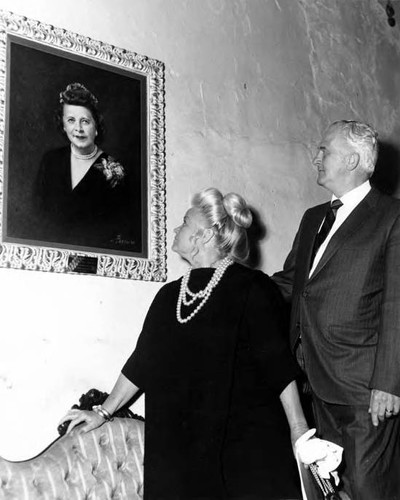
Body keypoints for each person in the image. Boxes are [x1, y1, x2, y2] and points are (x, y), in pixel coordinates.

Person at [59, 187, 310, 500]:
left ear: (203, 237)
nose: (177, 229)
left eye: (184, 223)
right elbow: (142, 362)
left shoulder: (253, 288)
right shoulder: (169, 296)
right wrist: (104, 412)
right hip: (179, 452)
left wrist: (299, 429)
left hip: (242, 453)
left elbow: (278, 366)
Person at [273, 120, 400, 500]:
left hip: (366, 388)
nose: (315, 157)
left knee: (369, 489)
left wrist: (389, 383)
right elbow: (291, 284)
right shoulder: (313, 218)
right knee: (330, 492)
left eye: (324, 150)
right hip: (314, 379)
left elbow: (397, 301)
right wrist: (237, 286)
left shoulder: (392, 215)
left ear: (353, 159)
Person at [37, 82, 135, 251]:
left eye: (85, 121)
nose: (78, 129)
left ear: (97, 126)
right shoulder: (50, 160)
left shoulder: (115, 171)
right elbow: (38, 213)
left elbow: (115, 229)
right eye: (71, 120)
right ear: (63, 125)